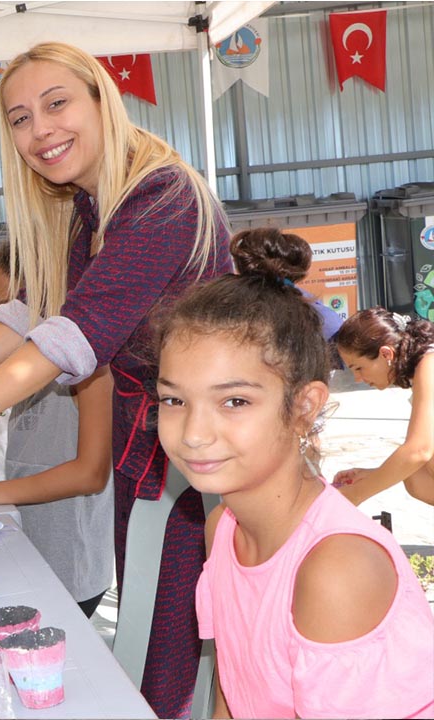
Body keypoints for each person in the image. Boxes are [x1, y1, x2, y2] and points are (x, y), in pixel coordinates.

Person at [0, 42, 230, 717]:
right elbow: (26, 312)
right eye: (20, 118)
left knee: (195, 641)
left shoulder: (160, 196)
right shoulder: (79, 208)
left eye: (57, 103)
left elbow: (71, 335)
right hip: (151, 443)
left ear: (100, 98)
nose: (42, 131)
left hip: (214, 452)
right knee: (153, 623)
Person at [154, 244, 434, 719]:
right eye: (174, 401)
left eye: (235, 401)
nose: (194, 434)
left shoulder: (335, 570)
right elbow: (233, 693)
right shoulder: (223, 527)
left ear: (304, 407)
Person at [0, 254, 115, 618]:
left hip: (71, 566)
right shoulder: (21, 364)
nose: (0, 324)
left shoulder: (92, 366)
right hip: (37, 548)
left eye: (11, 309)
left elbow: (90, 473)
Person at [332, 307, 434, 506]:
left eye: (359, 368)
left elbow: (419, 449)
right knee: (414, 478)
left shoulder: (429, 365)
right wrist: (374, 476)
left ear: (386, 354)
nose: (358, 378)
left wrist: (355, 495)